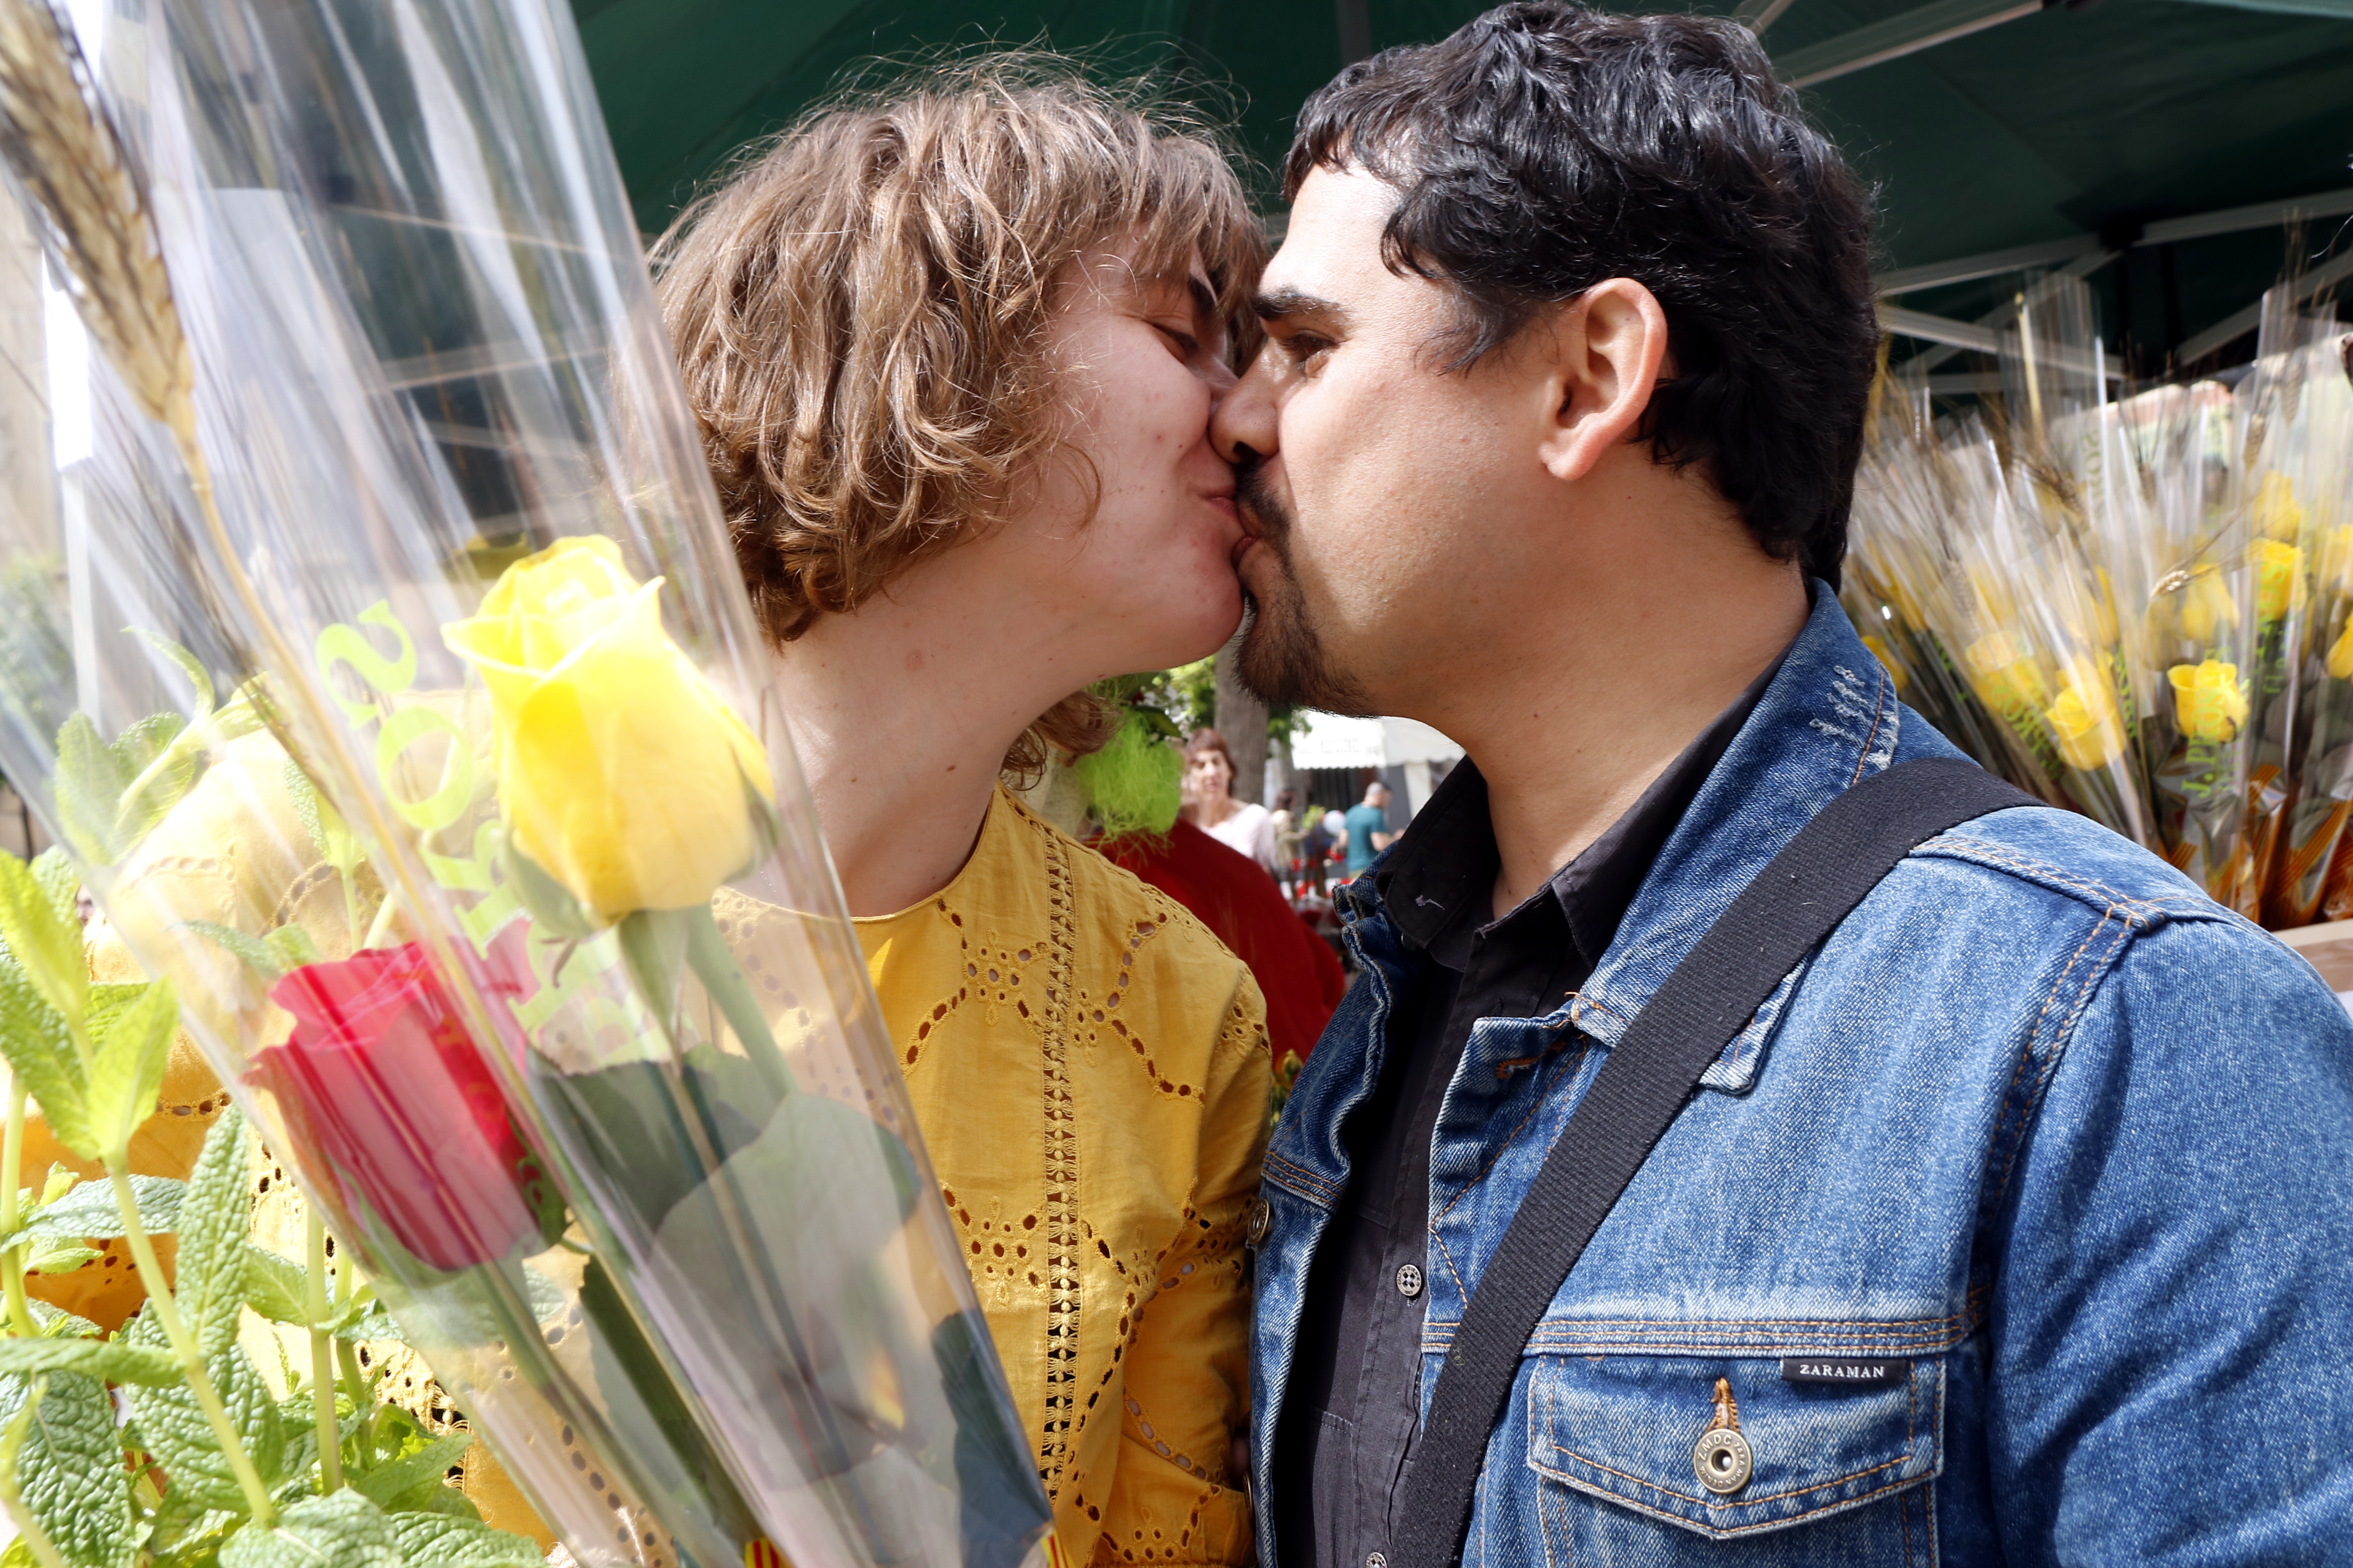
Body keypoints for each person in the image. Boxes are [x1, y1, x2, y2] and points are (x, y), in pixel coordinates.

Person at [1214, 7, 2353, 1564]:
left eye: (1302, 346)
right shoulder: (1383, 997)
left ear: (1586, 376)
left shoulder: (2114, 1034)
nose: (1236, 419)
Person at [657, 63, 1269, 1566]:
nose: (1249, 412)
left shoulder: (1182, 1013)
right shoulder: (338, 862)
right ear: (930, 343)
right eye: (1185, 335)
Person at [1183, 726, 1280, 873]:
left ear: (1229, 769)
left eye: (1216, 762)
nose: (1211, 772)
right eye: (1201, 766)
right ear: (1190, 776)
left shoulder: (1253, 817)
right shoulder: (1184, 827)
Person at [1337, 779, 1391, 878]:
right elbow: (1380, 845)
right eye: (1387, 799)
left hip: (1353, 869)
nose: (1387, 803)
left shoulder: (1351, 813)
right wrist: (1397, 838)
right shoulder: (1376, 814)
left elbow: (1343, 842)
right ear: (1379, 796)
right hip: (1373, 869)